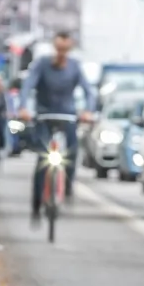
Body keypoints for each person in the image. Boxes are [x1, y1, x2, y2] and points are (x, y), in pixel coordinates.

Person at [18, 31, 95, 219]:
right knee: (42, 159)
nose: (62, 53)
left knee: (72, 150)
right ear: (54, 47)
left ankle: (67, 186)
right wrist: (23, 107)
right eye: (59, 48)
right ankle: (36, 203)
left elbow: (89, 91)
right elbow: (28, 85)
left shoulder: (75, 67)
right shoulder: (42, 64)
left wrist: (88, 111)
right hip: (44, 115)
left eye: (65, 49)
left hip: (67, 115)